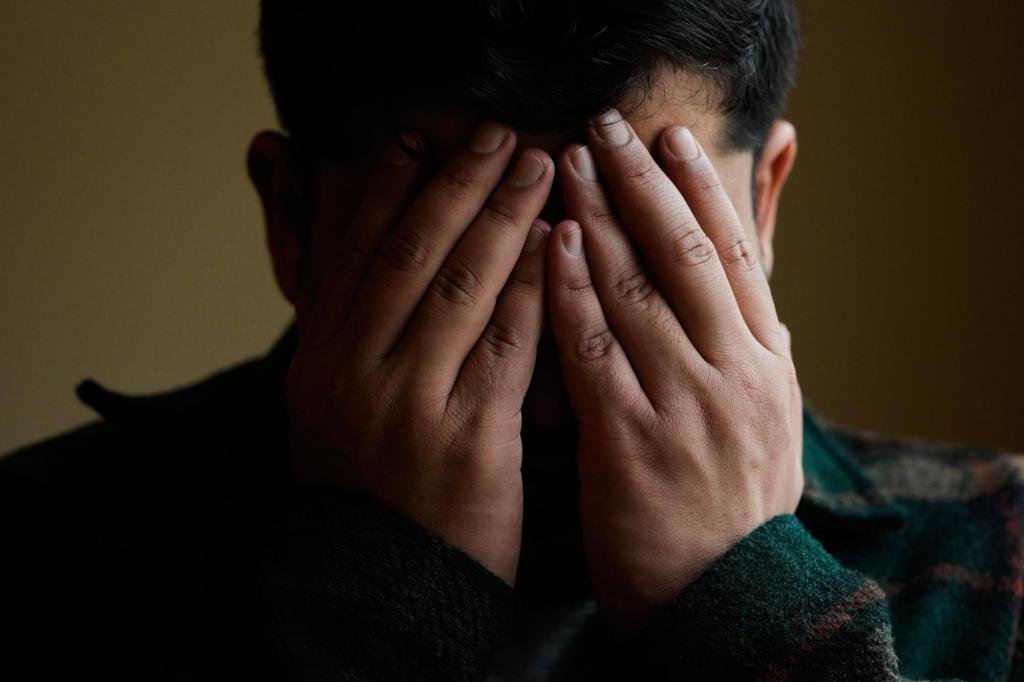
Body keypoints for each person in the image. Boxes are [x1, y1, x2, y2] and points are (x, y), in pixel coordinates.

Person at [2, 1, 1022, 680]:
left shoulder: (1001, 557)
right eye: (468, 253)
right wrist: (378, 598)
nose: (556, 363)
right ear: (294, 222)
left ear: (762, 208)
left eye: (635, 241)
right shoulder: (43, 554)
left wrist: (751, 604)